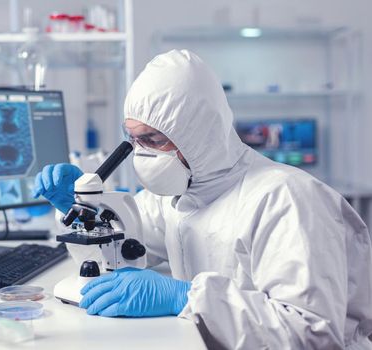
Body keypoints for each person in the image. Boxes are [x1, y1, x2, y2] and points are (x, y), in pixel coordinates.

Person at [32, 50, 372, 349]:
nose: (142, 154)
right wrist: (83, 210)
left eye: (153, 139)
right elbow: (125, 247)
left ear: (196, 133)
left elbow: (310, 334)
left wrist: (186, 298)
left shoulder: (287, 199)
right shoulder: (180, 193)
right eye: (134, 139)